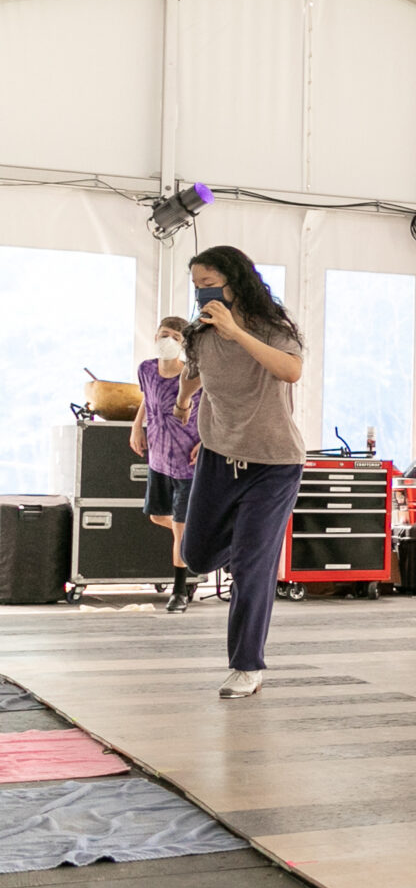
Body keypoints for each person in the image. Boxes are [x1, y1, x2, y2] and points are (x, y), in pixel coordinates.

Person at [176, 249, 306, 699]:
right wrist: (182, 399)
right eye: (196, 284)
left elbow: (290, 371)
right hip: (217, 455)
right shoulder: (199, 335)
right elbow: (195, 373)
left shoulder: (274, 329)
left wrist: (235, 331)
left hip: (273, 463)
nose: (201, 292)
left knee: (251, 564)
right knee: (194, 555)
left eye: (209, 282)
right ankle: (253, 552)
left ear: (234, 282)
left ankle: (246, 666)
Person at [134, 315, 200, 613]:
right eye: (164, 334)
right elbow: (147, 399)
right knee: (159, 517)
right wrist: (137, 427)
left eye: (175, 336)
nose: (168, 340)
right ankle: (191, 550)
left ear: (184, 342)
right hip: (158, 457)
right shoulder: (146, 368)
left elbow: (214, 408)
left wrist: (205, 442)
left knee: (180, 527)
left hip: (186, 459)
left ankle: (180, 591)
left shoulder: (193, 375)